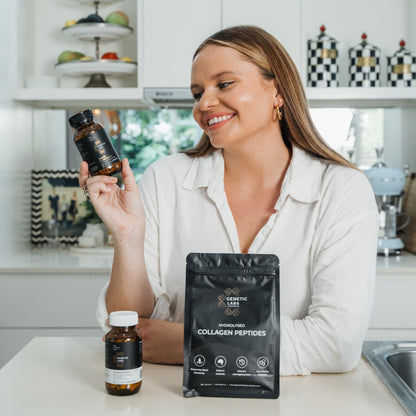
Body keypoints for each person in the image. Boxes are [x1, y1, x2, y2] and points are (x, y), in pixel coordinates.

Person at [79, 25, 378, 375]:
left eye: (224, 84)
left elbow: (336, 345)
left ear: (277, 91)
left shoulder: (341, 190)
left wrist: (187, 342)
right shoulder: (167, 179)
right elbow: (129, 327)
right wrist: (128, 237)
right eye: (196, 92)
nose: (204, 104)